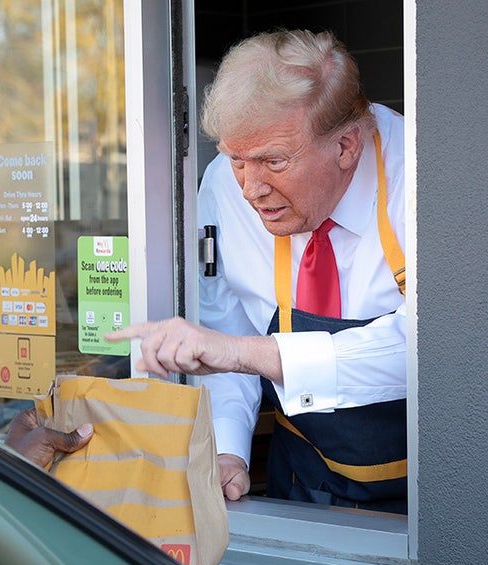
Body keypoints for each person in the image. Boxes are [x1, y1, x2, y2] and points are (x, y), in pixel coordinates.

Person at [107, 29, 407, 512]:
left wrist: (243, 352)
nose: (250, 188)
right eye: (236, 160)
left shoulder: (418, 180)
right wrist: (228, 451)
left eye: (273, 160)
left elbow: (424, 349)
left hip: (424, 500)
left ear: (347, 146)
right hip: (302, 479)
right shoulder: (224, 188)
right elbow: (227, 333)